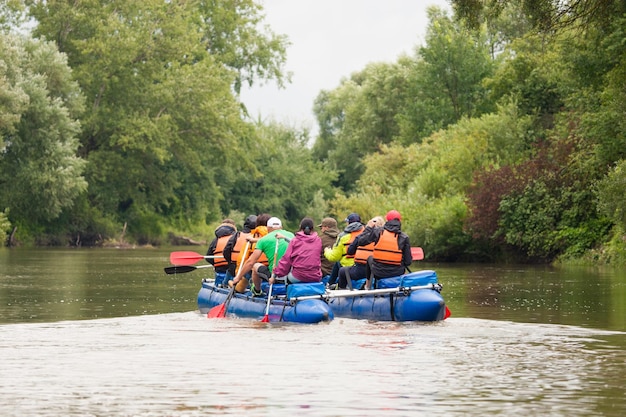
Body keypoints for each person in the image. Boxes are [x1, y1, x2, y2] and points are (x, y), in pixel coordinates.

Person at [348, 210, 412, 289]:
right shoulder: (404, 237)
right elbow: (408, 262)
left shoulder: (378, 232)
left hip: (378, 273)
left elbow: (361, 241)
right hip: (397, 273)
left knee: (370, 259)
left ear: (387, 220)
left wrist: (368, 228)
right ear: (400, 220)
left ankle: (367, 286)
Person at [230, 216, 294, 296]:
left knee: (255, 265)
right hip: (292, 275)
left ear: (268, 228)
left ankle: (257, 290)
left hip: (275, 276)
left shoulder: (264, 240)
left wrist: (238, 277)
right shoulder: (291, 235)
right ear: (281, 227)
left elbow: (250, 262)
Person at [338, 215, 384, 289]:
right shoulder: (384, 237)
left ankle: (341, 293)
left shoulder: (362, 237)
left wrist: (366, 230)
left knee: (342, 271)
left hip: (361, 270)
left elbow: (350, 251)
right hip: (378, 271)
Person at [272, 217, 323, 284]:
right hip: (315, 276)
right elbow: (305, 244)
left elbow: (286, 260)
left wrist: (276, 274)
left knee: (287, 278)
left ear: (300, 227)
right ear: (312, 228)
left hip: (298, 276)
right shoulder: (318, 240)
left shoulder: (295, 240)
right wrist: (284, 237)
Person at [323, 212, 364, 288]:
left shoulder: (343, 236)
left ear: (348, 223)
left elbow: (334, 257)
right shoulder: (366, 233)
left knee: (337, 262)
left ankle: (330, 285)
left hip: (349, 267)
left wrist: (327, 251)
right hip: (364, 266)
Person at [222, 214, 257, 284]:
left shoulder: (237, 235)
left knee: (229, 272)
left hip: (234, 268)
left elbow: (226, 252)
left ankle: (225, 284)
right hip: (250, 270)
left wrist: (230, 262)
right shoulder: (258, 237)